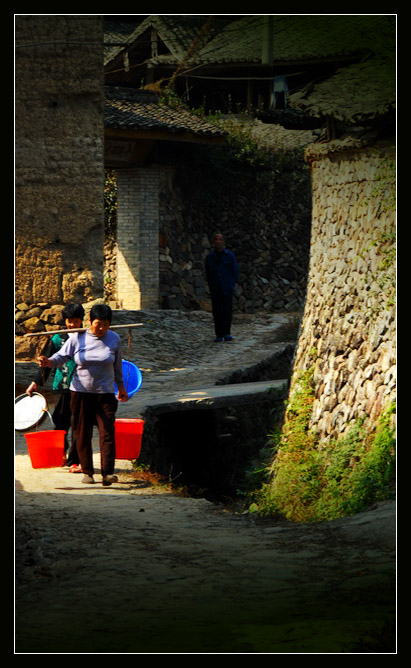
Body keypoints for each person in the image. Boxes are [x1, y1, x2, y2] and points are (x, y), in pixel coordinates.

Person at [38, 303, 128, 486]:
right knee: (82, 432)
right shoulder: (78, 338)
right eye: (98, 323)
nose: (101, 328)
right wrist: (48, 362)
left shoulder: (114, 339)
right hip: (80, 393)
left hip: (106, 394)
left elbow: (118, 366)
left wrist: (121, 387)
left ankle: (108, 473)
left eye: (105, 324)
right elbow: (60, 357)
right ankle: (87, 471)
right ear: (89, 322)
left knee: (107, 432)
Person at [26, 302, 85, 472]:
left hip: (82, 387)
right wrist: (36, 382)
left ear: (82, 321)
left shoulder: (87, 337)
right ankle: (62, 454)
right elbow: (46, 363)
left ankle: (75, 461)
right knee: (60, 421)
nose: (72, 324)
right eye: (69, 321)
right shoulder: (58, 338)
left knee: (77, 424)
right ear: (65, 321)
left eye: (76, 321)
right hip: (63, 385)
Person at [205, 232, 239, 342]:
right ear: (213, 242)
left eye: (220, 239)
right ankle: (218, 334)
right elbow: (208, 272)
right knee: (217, 311)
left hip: (226, 287)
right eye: (216, 240)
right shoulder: (210, 257)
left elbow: (235, 271)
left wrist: (231, 284)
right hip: (216, 287)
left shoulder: (230, 256)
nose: (218, 242)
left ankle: (227, 333)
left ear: (223, 242)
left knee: (227, 311)